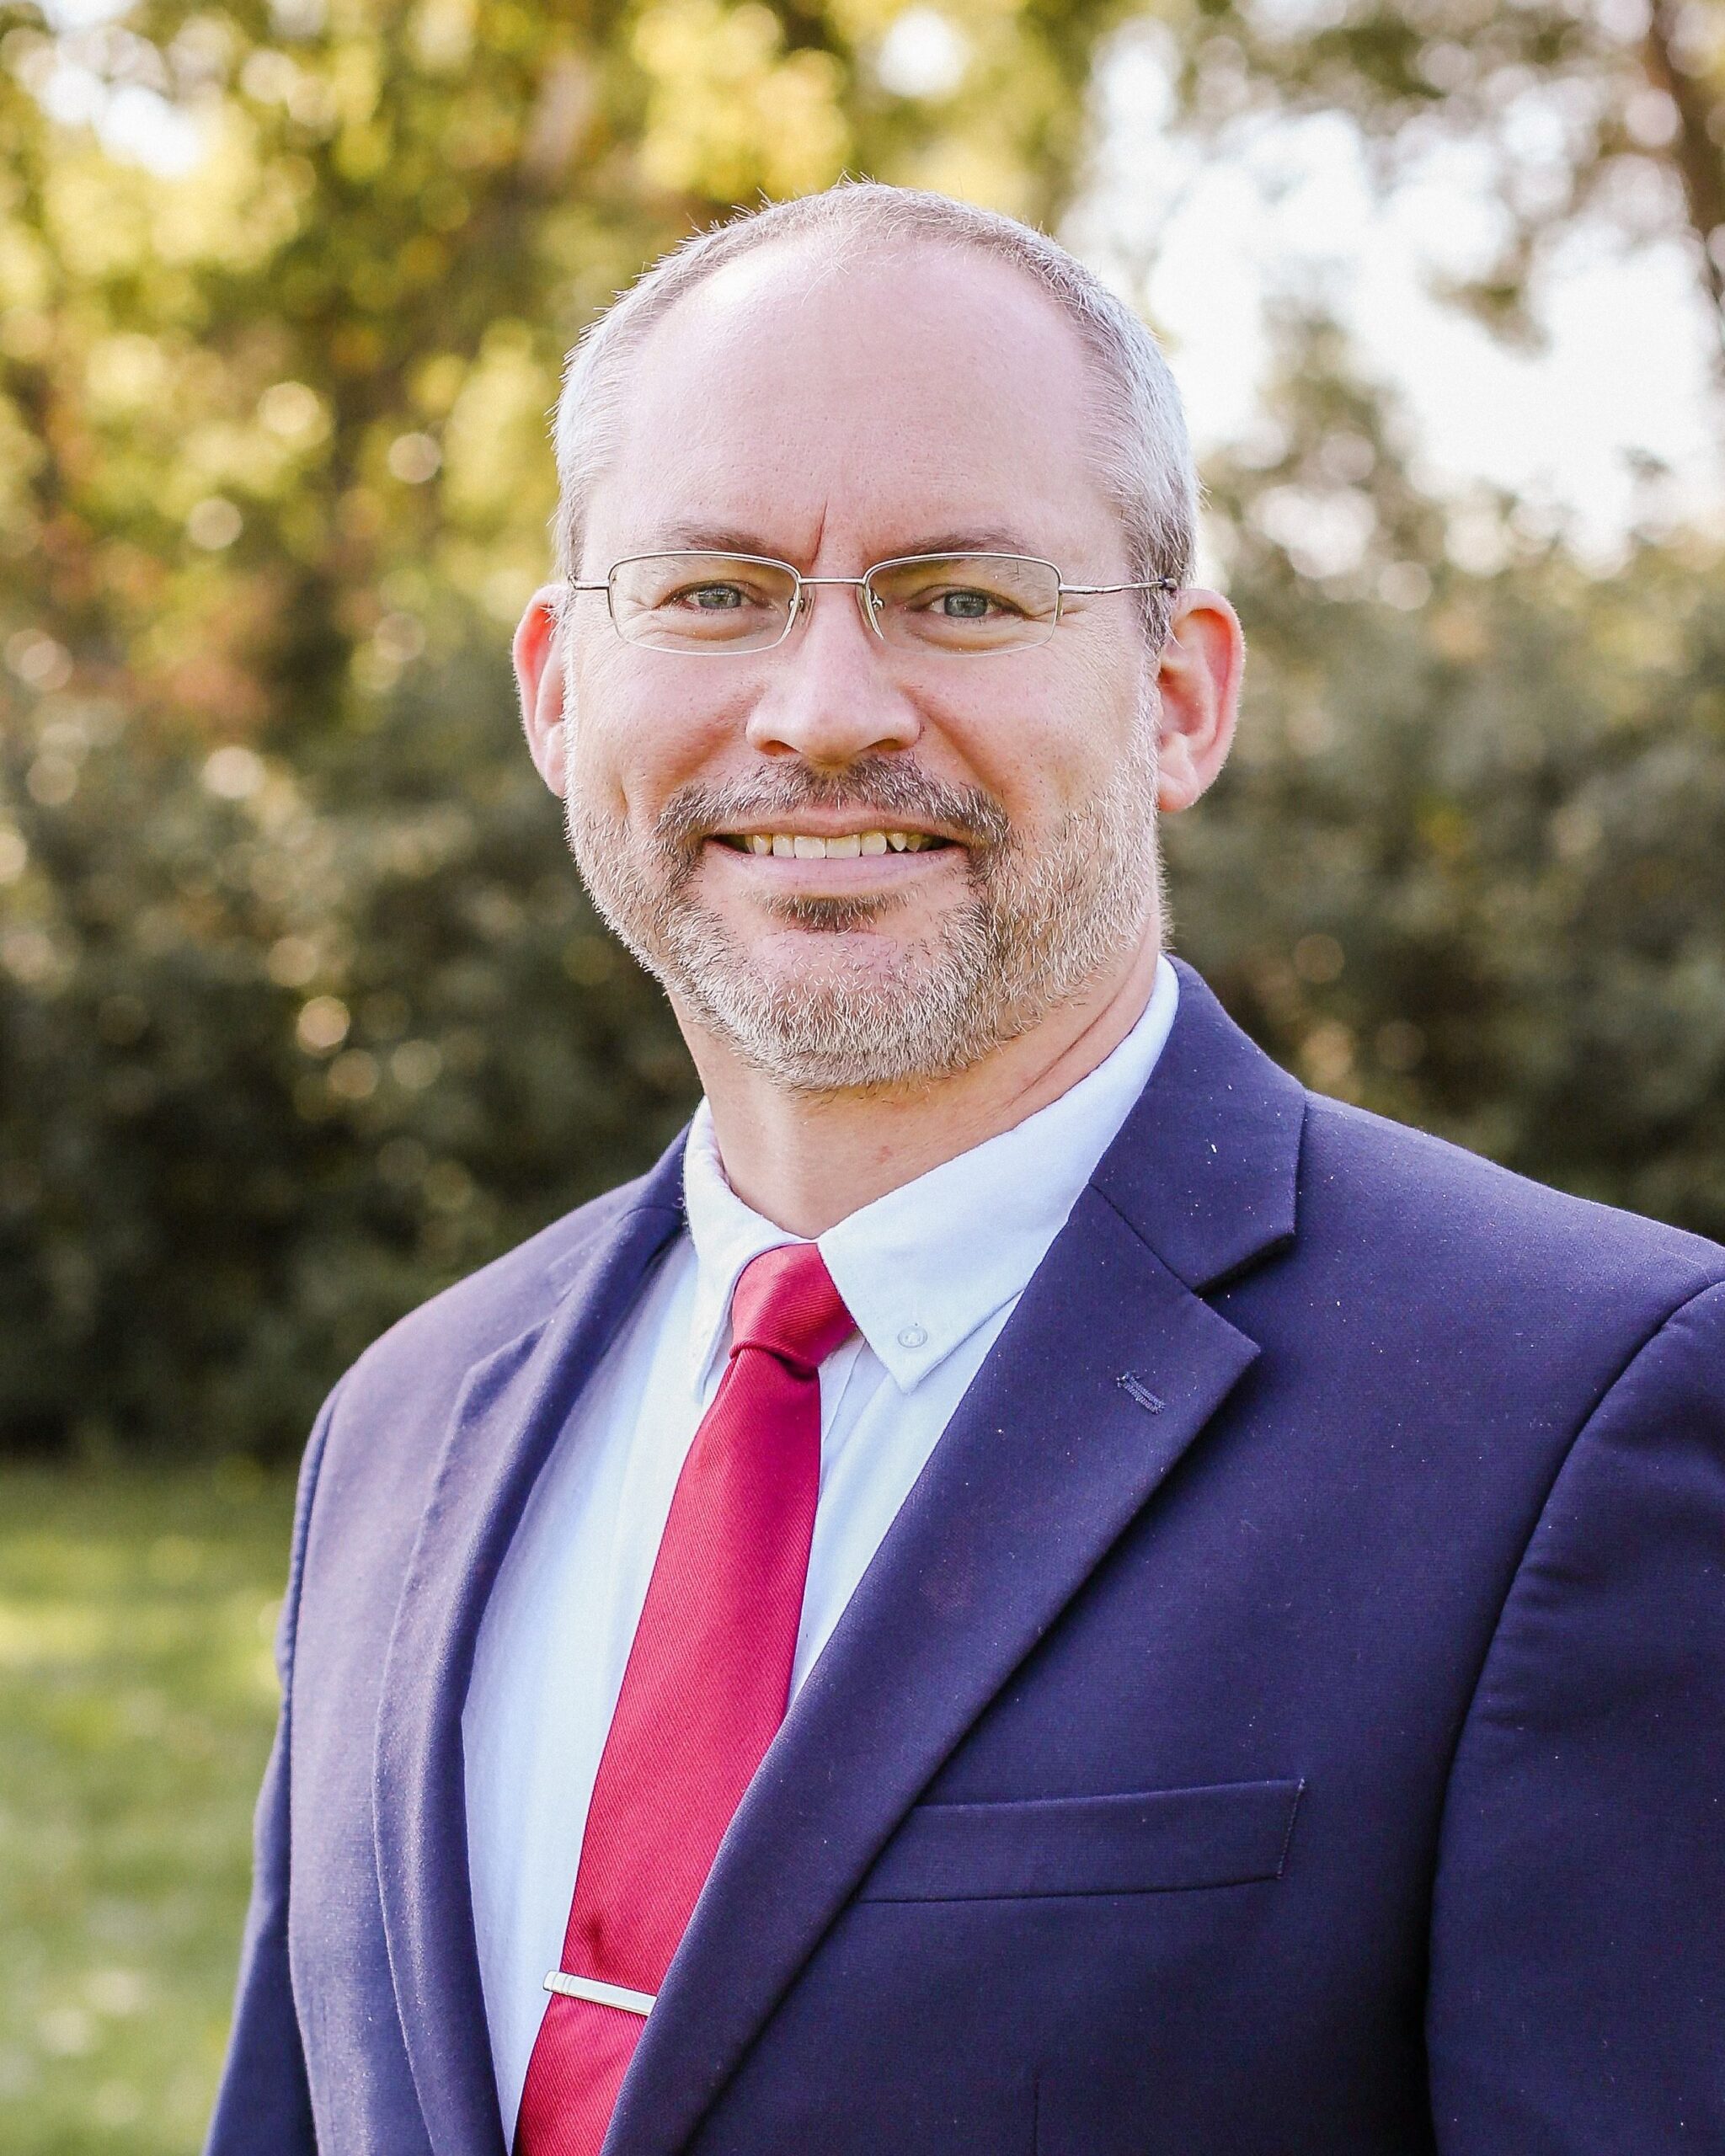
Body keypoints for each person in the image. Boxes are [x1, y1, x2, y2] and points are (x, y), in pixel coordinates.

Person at [205, 184, 1725, 2156]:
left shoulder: (1583, 1415)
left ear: (1178, 696)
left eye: (962, 596)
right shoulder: (403, 1427)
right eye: (713, 590)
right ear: (558, 687)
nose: (826, 712)